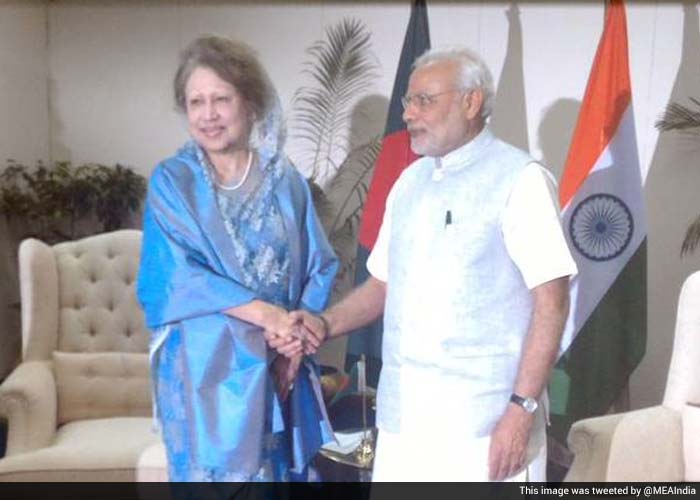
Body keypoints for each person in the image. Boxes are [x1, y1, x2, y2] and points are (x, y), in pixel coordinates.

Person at [275, 47, 578, 482]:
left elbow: (552, 305)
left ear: (471, 102)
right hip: (405, 421)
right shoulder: (409, 181)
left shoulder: (521, 179)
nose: (410, 114)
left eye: (425, 100)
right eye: (407, 102)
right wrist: (324, 324)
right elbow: (382, 286)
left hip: (485, 425)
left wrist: (521, 409)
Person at [136, 35, 338, 482]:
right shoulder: (173, 181)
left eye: (221, 99)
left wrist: (296, 336)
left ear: (249, 102)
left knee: (281, 477)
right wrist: (269, 316)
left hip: (282, 359)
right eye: (196, 102)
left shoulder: (286, 181)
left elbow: (319, 265)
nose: (208, 115)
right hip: (204, 369)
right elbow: (174, 277)